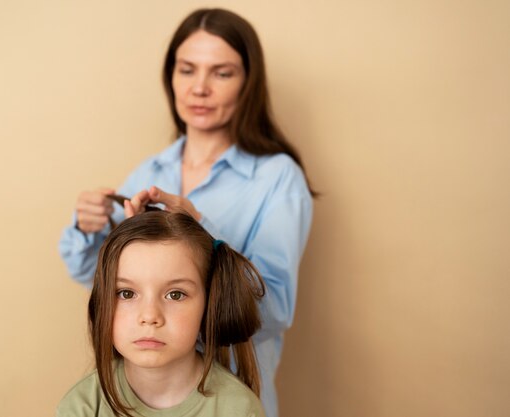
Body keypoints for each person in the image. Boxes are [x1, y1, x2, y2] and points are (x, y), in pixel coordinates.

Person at [59, 8, 315, 417]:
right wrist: (88, 230)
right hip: (140, 399)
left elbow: (276, 310)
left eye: (222, 73)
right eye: (187, 70)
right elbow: (110, 281)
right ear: (170, 77)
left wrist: (202, 229)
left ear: (248, 83)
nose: (199, 88)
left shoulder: (278, 178)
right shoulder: (151, 170)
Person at [56, 211, 267, 417]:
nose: (149, 316)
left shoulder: (240, 409)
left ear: (210, 302)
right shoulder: (81, 407)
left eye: (175, 295)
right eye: (126, 293)